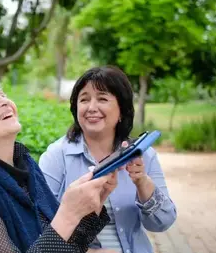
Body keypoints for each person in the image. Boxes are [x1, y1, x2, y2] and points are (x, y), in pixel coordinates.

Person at [0, 72, 120, 253]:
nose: (4, 101)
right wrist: (69, 214)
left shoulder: (25, 166)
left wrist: (94, 200)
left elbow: (66, 245)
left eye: (2, 95)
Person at [38, 66, 177, 253]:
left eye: (102, 99)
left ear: (122, 110)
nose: (91, 108)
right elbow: (39, 225)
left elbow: (162, 223)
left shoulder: (144, 154)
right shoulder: (57, 155)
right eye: (84, 99)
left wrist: (142, 182)